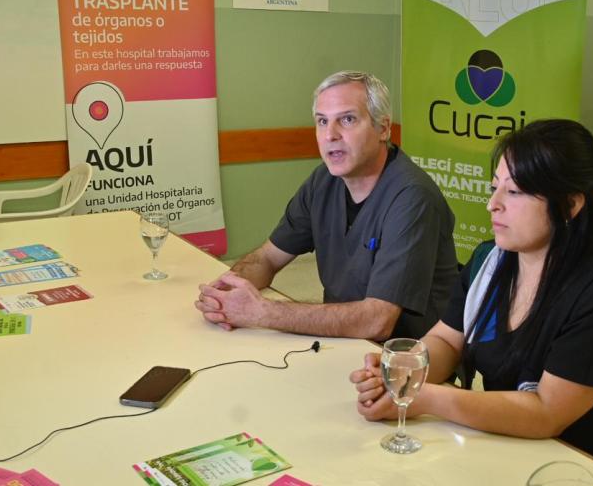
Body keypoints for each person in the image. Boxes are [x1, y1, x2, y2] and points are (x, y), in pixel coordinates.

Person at [349, 119, 593, 484]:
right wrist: (407, 371)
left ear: (570, 205)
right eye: (495, 188)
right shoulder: (491, 262)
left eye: (514, 193)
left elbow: (546, 412)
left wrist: (426, 398)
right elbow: (449, 339)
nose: (492, 205)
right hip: (511, 451)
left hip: (588, 471)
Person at [195, 71, 458, 341]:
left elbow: (377, 321)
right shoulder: (323, 181)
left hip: (405, 363)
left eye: (347, 119)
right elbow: (269, 257)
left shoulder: (412, 197)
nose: (330, 135)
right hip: (339, 341)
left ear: (383, 128)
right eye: (322, 121)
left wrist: (262, 312)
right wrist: (226, 290)